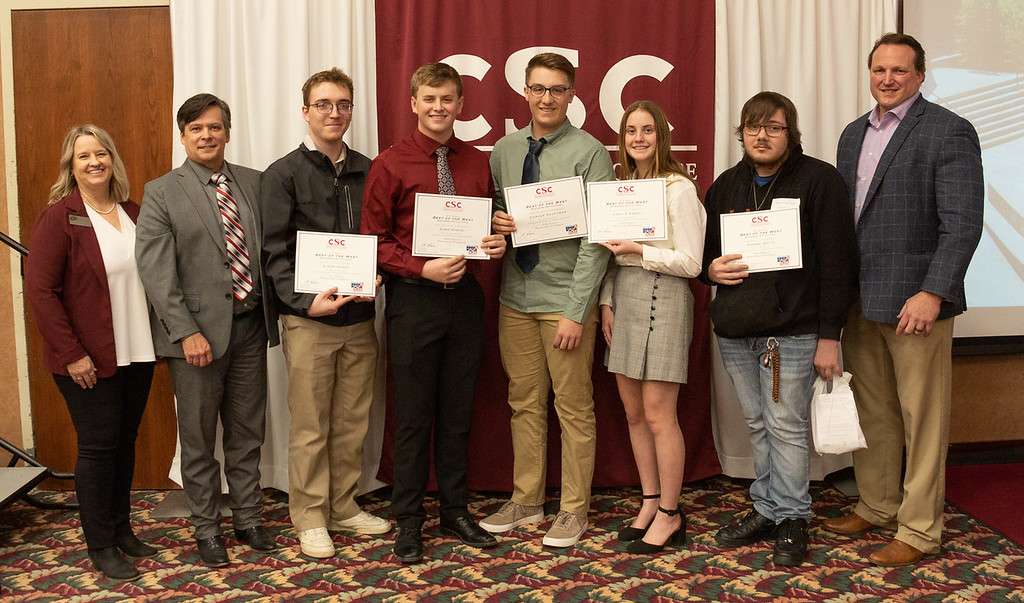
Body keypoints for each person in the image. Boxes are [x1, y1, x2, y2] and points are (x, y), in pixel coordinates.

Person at [823, 33, 984, 567]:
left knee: (923, 419)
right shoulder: (852, 135)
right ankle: (877, 503)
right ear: (869, 74)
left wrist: (933, 291)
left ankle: (919, 530)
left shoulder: (949, 131)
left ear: (920, 74)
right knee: (874, 413)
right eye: (879, 70)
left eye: (899, 70)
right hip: (862, 300)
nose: (887, 79)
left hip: (917, 303)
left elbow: (961, 225)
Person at [701, 92, 858, 566]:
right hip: (736, 328)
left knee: (786, 426)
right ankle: (767, 508)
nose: (762, 135)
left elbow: (839, 264)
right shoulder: (725, 186)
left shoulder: (819, 181)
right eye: (753, 127)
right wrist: (711, 273)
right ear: (741, 133)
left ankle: (793, 516)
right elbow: (706, 256)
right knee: (757, 422)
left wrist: (830, 336)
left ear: (790, 133)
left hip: (792, 330)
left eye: (773, 127)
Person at [360, 62, 506, 563]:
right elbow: (372, 242)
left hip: (466, 299)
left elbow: (488, 226)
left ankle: (455, 508)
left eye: (448, 99)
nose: (439, 108)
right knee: (413, 415)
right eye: (430, 99)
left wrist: (494, 244)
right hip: (414, 301)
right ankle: (409, 519)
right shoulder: (390, 163)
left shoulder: (476, 163)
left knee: (458, 412)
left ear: (460, 105)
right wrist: (421, 270)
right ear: (414, 103)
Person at [135, 93, 279, 567]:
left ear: (227, 132)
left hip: (249, 329)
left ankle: (249, 518)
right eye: (195, 128)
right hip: (195, 337)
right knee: (198, 438)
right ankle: (205, 528)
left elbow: (274, 252)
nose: (206, 135)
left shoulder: (256, 184)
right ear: (183, 135)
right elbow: (157, 273)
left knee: (246, 432)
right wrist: (184, 332)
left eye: (214, 127)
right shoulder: (161, 192)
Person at [481, 52, 615, 548]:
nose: (546, 98)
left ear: (572, 94)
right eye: (538, 88)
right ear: (525, 92)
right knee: (524, 403)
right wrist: (497, 225)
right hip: (516, 297)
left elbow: (597, 239)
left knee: (574, 408)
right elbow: (494, 213)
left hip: (563, 300)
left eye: (557, 89)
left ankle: (574, 509)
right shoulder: (504, 150)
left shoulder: (590, 152)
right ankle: (527, 499)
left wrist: (576, 311)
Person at [260, 68, 389, 560]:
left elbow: (383, 236)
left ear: (351, 110)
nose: (334, 113)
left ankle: (343, 505)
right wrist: (303, 301)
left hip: (359, 318)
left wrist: (379, 273)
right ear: (306, 111)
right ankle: (310, 515)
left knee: (353, 419)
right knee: (311, 424)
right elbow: (273, 252)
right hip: (310, 319)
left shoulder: (370, 168)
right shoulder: (282, 174)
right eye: (323, 104)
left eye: (342, 104)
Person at [25, 125, 157, 581]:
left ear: (112, 160)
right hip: (86, 359)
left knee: (124, 444)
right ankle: (100, 544)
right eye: (83, 156)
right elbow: (41, 292)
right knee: (99, 448)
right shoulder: (59, 218)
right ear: (71, 166)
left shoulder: (134, 211)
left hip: (137, 349)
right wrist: (71, 354)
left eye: (101, 153)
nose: (94, 162)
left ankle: (122, 531)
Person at [597, 101, 706, 553]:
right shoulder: (623, 186)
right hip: (624, 298)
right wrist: (606, 302)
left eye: (647, 131)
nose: (638, 139)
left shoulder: (678, 188)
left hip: (665, 295)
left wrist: (642, 250)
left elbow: (693, 262)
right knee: (635, 413)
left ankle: (671, 512)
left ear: (661, 136)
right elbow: (609, 253)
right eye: (630, 131)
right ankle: (648, 500)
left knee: (661, 415)